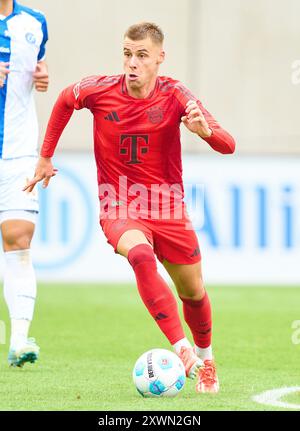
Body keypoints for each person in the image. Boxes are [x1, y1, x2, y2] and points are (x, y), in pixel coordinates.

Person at [25, 22, 235, 392]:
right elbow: (63, 100)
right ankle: (182, 349)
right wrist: (45, 156)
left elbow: (228, 144)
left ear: (159, 58)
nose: (132, 62)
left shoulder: (176, 95)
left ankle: (207, 358)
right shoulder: (99, 89)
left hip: (168, 206)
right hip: (118, 203)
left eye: (141, 55)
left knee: (194, 292)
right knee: (139, 255)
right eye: (126, 53)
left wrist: (204, 132)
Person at [0, 0, 49, 367]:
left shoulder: (35, 22)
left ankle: (18, 342)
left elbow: (37, 68)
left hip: (18, 154)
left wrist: (42, 76)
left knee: (18, 240)